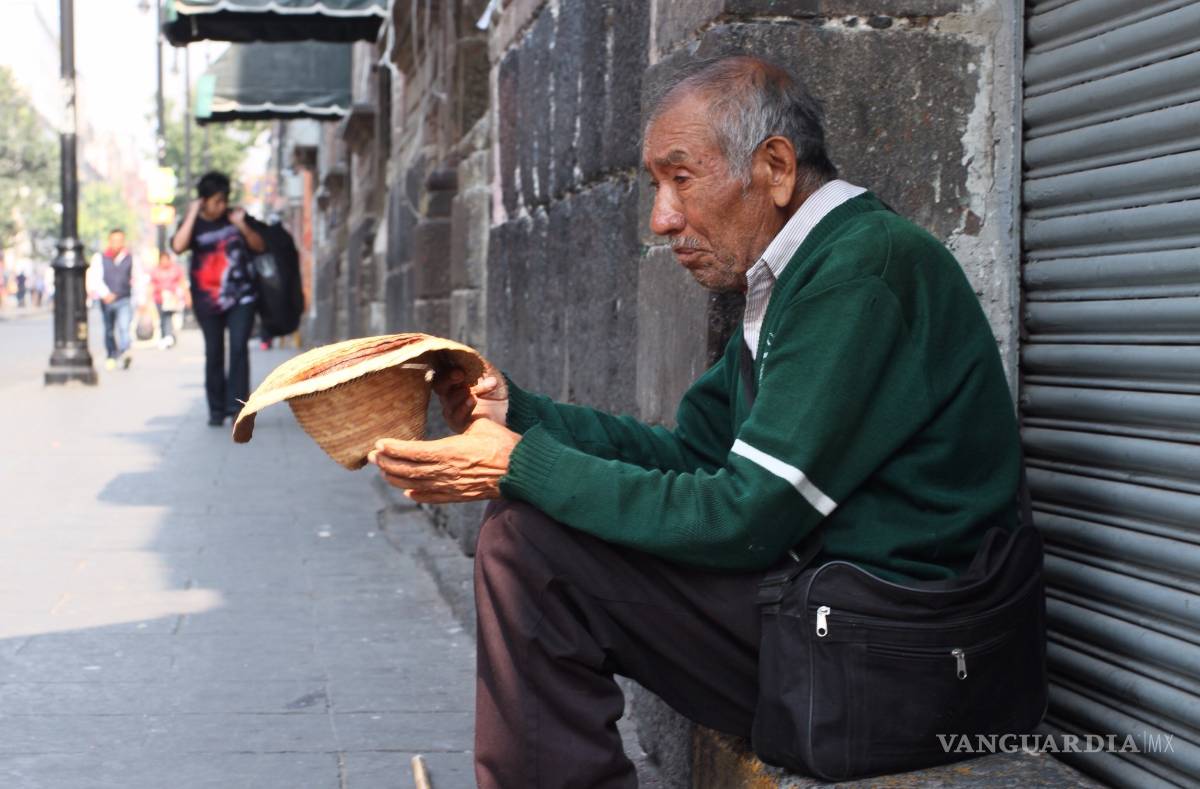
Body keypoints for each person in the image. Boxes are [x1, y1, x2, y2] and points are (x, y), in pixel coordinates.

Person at [369, 55, 1023, 788]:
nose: (661, 218)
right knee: (529, 537)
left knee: (532, 552)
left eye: (681, 179)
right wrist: (515, 414)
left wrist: (520, 463)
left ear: (774, 166)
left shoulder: (863, 271)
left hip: (905, 668)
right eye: (657, 184)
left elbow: (745, 515)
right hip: (841, 627)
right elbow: (693, 456)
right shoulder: (789, 275)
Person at [170, 171, 265, 426]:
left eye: (224, 200)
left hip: (242, 297)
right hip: (207, 300)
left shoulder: (235, 217)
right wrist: (191, 214)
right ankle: (216, 409)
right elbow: (178, 247)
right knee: (214, 352)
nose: (221, 206)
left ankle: (238, 409)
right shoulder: (194, 223)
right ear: (203, 201)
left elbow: (259, 246)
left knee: (238, 349)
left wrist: (242, 225)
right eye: (215, 201)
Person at [86, 229, 136, 371]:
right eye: (114, 241)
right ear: (109, 241)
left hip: (124, 298)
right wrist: (106, 294)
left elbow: (136, 278)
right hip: (106, 300)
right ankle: (111, 355)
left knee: (124, 327)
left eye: (120, 241)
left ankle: (125, 351)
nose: (117, 244)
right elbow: (95, 278)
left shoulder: (129, 258)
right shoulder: (100, 258)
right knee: (109, 329)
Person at [149, 250, 188, 348]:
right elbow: (151, 284)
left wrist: (186, 296)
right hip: (159, 299)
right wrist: (148, 298)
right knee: (162, 318)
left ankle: (168, 336)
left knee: (168, 317)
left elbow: (182, 281)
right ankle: (165, 336)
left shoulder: (175, 269)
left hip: (172, 299)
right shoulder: (155, 270)